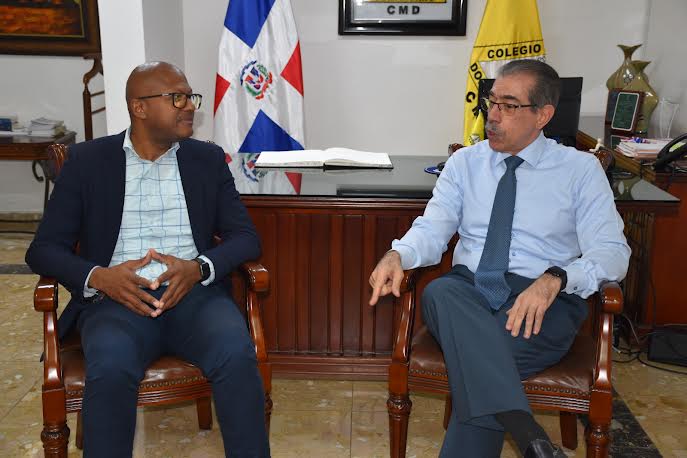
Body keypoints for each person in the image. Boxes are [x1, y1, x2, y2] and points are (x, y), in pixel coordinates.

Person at [369, 60, 630, 458]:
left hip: (540, 301)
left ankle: (530, 438)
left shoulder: (579, 171)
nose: (493, 115)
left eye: (509, 106)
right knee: (439, 292)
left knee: (480, 364)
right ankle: (529, 435)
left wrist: (557, 278)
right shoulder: (464, 164)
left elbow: (613, 252)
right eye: (492, 102)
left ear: (543, 115)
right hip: (467, 292)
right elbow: (433, 228)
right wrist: (397, 253)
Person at [26, 62, 270, 458]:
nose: (189, 106)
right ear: (139, 108)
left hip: (195, 297)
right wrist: (99, 277)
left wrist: (198, 268)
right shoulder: (87, 161)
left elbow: (246, 237)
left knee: (237, 355)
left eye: (190, 97)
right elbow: (43, 249)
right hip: (116, 301)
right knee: (110, 367)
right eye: (177, 98)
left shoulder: (206, 160)